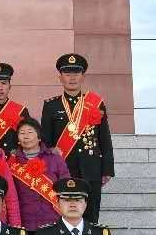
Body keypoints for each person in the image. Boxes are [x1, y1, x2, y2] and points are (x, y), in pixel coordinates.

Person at [41, 53, 115, 223]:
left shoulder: (95, 103)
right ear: (60, 78)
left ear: (83, 76)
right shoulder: (51, 105)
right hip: (63, 169)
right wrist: (51, 151)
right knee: (62, 215)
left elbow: (104, 137)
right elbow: (45, 140)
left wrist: (107, 169)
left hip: (91, 168)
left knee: (91, 216)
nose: (72, 78)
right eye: (67, 74)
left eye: (76, 73)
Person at [9, 117, 71, 231]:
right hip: (25, 221)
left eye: (30, 132)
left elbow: (66, 187)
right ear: (18, 138)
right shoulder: (12, 162)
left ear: (39, 137)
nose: (26, 136)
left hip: (53, 219)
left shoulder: (54, 158)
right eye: (22, 133)